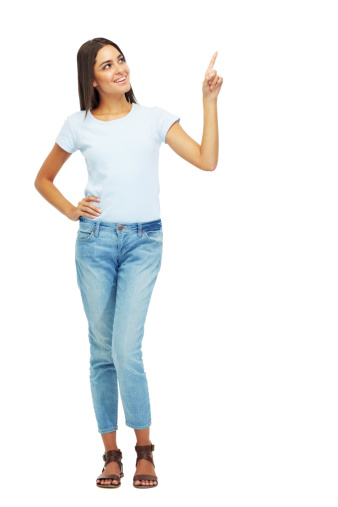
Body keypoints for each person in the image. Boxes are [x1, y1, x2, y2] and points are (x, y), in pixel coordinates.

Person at [34, 37, 222, 489]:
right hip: (94, 244)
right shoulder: (77, 125)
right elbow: (42, 179)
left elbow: (206, 160)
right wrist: (70, 208)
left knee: (125, 349)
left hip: (143, 242)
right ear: (91, 78)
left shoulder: (154, 118)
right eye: (106, 64)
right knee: (101, 353)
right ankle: (110, 455)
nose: (119, 68)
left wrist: (208, 101)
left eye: (120, 59)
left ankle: (145, 451)